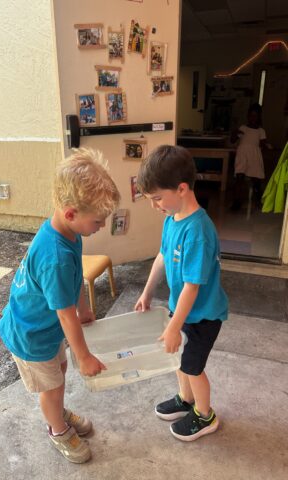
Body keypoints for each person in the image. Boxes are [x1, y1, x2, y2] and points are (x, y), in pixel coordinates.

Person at [0, 148, 120, 463]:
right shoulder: (55, 257)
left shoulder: (69, 234)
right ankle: (57, 430)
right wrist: (85, 356)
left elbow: (75, 280)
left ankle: (58, 411)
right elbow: (65, 316)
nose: (101, 226)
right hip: (31, 335)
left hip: (44, 328)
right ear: (70, 213)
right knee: (51, 386)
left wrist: (84, 308)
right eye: (98, 220)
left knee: (59, 374)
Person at [135, 145, 228, 442]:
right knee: (178, 360)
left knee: (192, 365)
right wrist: (148, 292)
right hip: (182, 309)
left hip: (204, 315)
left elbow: (192, 285)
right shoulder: (171, 219)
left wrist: (175, 327)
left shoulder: (198, 230)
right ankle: (184, 399)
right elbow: (162, 256)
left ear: (182, 188)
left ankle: (205, 415)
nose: (155, 205)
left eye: (158, 198)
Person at [230, 103, 268, 210]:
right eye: (251, 116)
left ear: (259, 117)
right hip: (242, 155)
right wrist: (235, 132)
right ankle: (236, 202)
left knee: (256, 179)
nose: (253, 118)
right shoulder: (243, 128)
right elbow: (233, 140)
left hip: (254, 156)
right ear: (248, 116)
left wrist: (266, 145)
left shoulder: (261, 131)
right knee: (239, 178)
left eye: (255, 116)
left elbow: (263, 143)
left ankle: (258, 199)